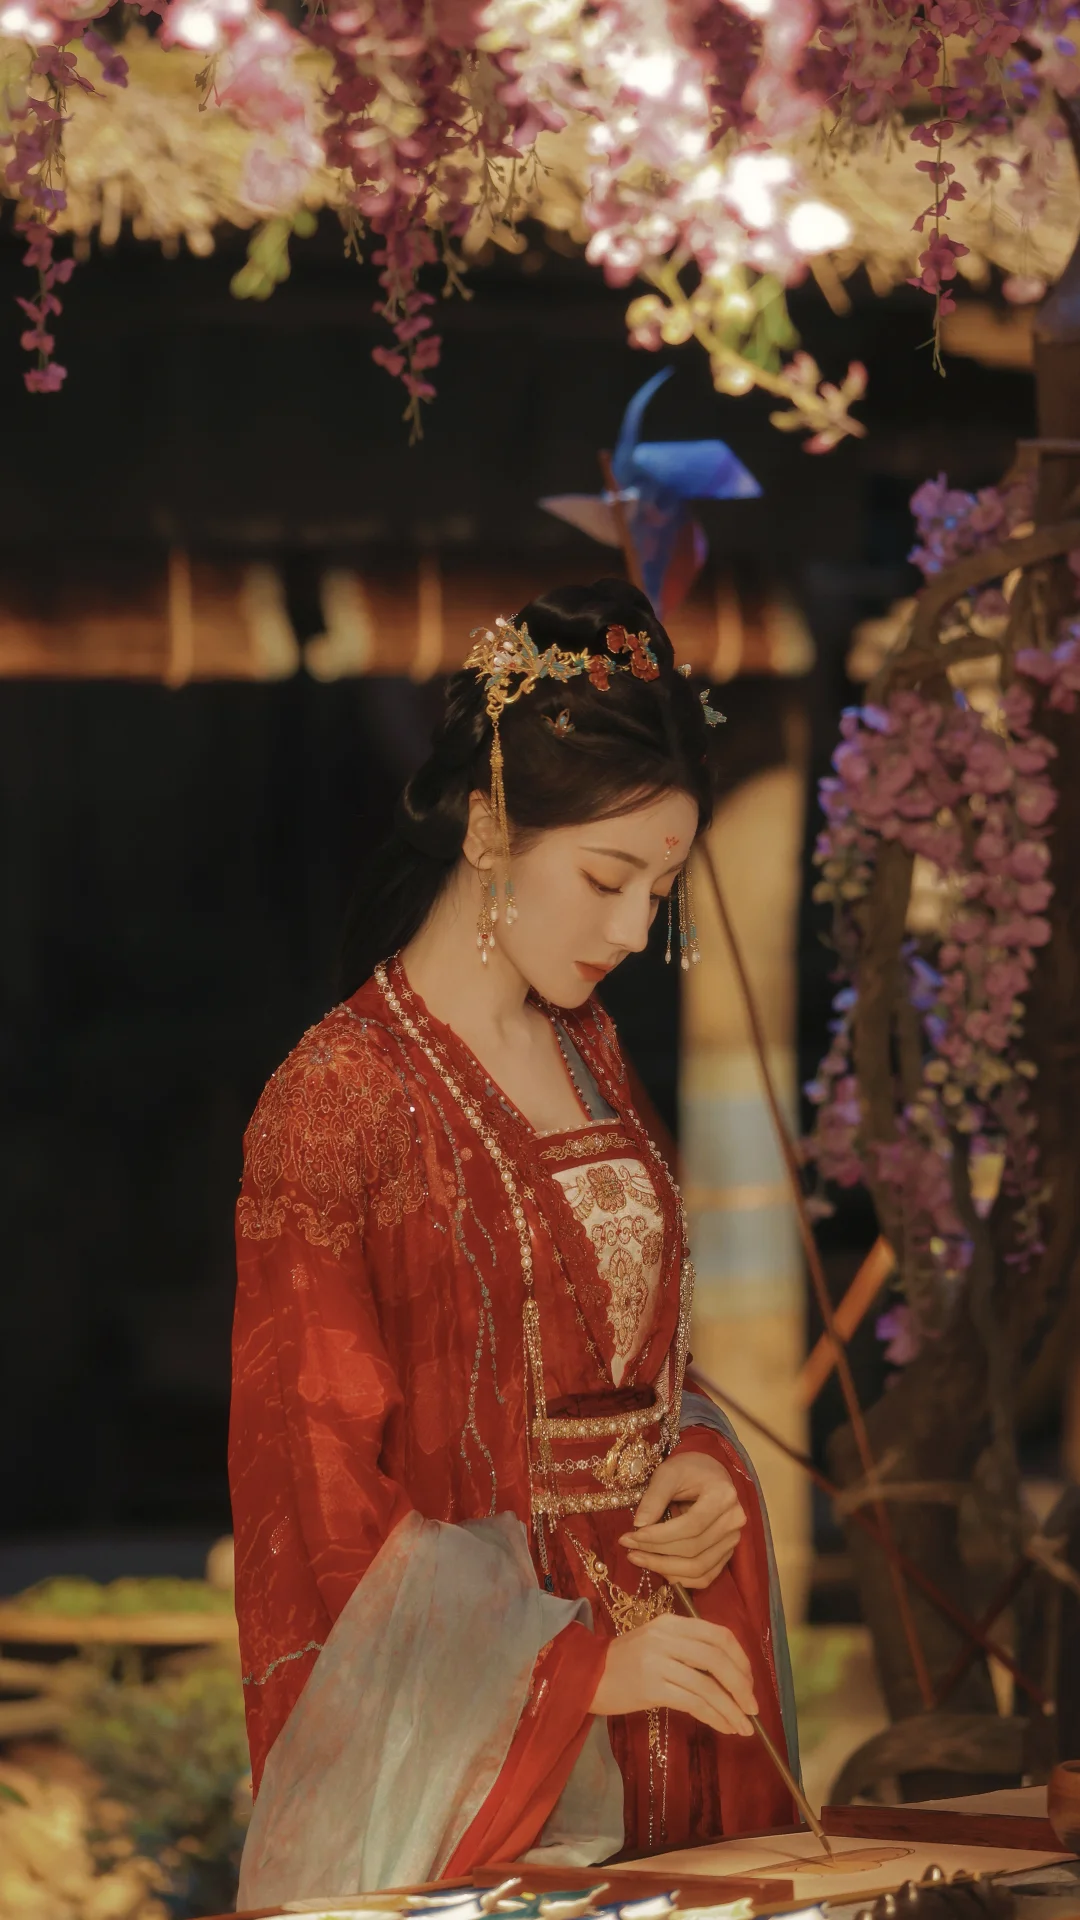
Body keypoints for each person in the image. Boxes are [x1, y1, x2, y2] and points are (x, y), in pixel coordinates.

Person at [230, 580, 798, 1908]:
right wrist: (575, 1670)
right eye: (605, 878)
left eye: (661, 890)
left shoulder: (589, 1050)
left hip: (671, 1673)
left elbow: (634, 1366)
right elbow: (319, 1491)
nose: (631, 930)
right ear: (488, 828)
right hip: (494, 1744)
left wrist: (705, 1465)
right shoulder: (337, 1099)